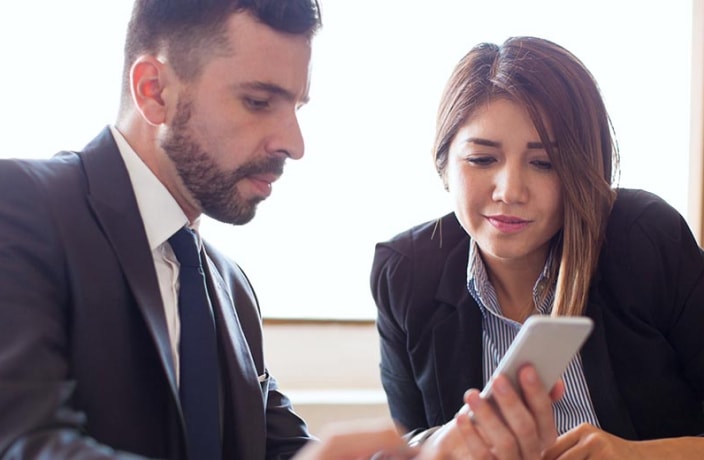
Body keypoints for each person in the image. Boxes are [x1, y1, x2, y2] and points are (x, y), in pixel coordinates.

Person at [0, 0, 321, 458]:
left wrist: (424, 452)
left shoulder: (231, 287)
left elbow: (287, 450)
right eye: (258, 102)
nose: (293, 143)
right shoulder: (19, 206)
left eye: (296, 106)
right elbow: (22, 444)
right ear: (154, 91)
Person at [370, 36, 704, 458]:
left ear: (584, 170)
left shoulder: (645, 239)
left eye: (544, 163)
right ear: (444, 165)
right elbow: (411, 442)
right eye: (482, 159)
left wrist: (636, 455)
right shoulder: (406, 272)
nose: (510, 191)